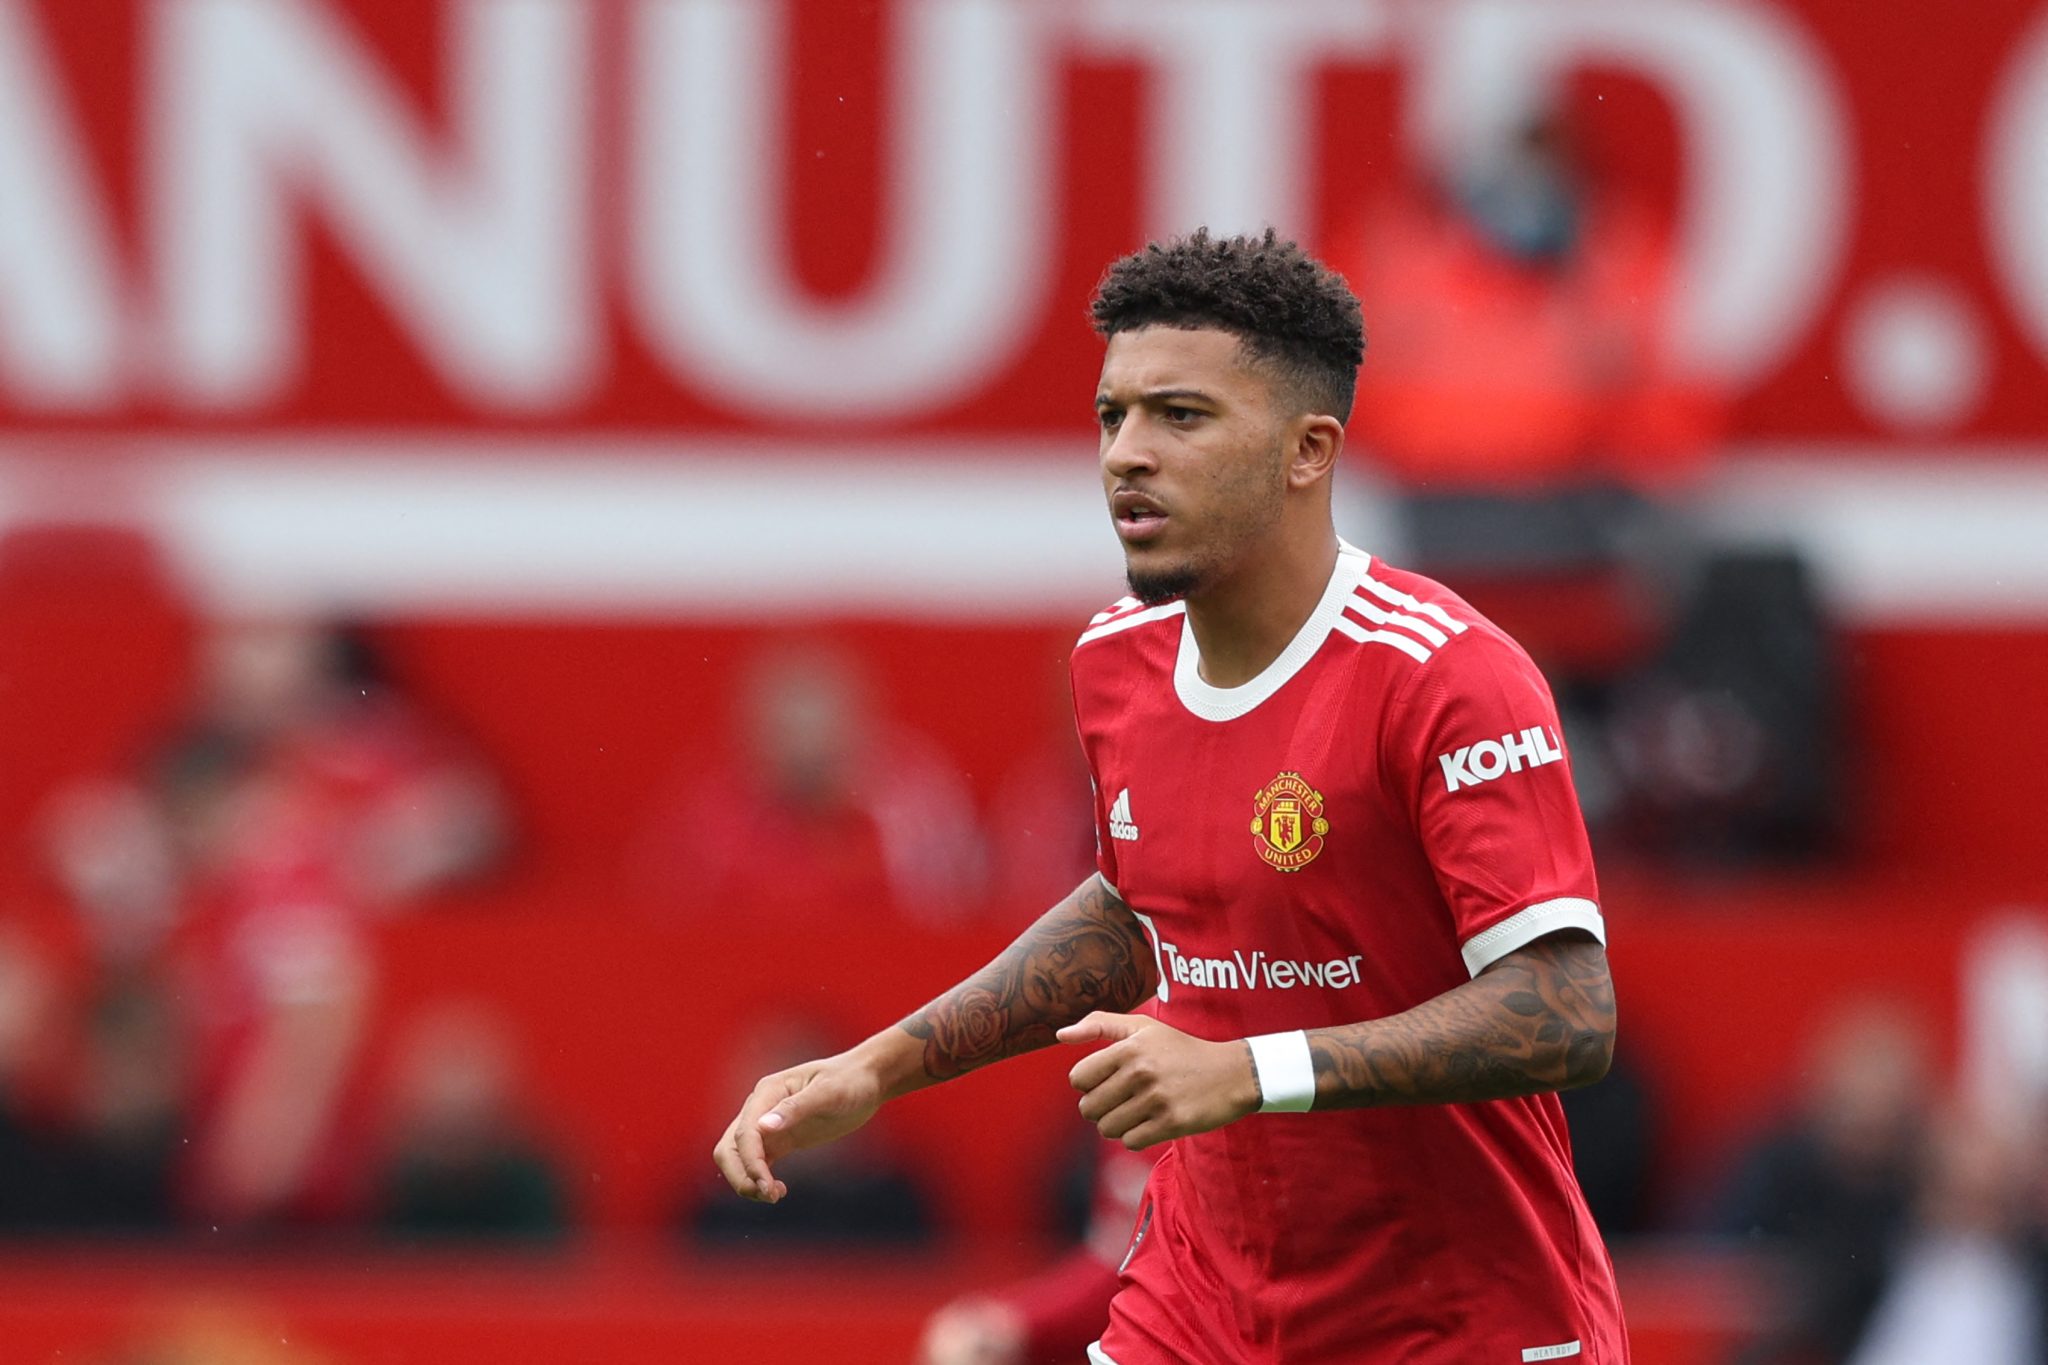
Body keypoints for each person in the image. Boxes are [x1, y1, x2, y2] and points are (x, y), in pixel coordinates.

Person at [712, 229, 1625, 1363]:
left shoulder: (1446, 676)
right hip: (1199, 1309)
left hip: (1452, 1322)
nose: (1126, 456)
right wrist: (880, 1066)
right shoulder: (1114, 660)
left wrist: (1247, 1071)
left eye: (1179, 417)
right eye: (1113, 416)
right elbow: (1136, 906)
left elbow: (1565, 1010)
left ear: (1306, 451)